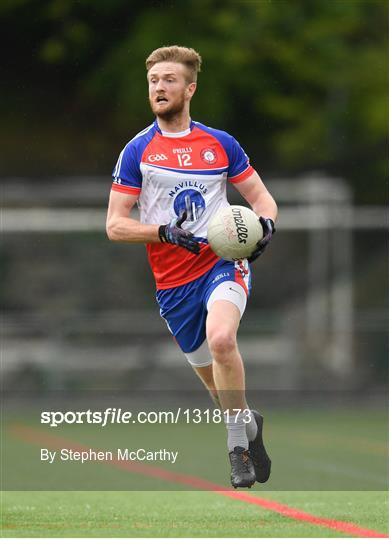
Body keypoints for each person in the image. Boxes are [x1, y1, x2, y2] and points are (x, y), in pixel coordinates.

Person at [106, 45, 277, 488]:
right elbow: (115, 226)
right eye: (153, 81)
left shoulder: (221, 143)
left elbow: (260, 199)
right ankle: (248, 423)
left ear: (190, 88)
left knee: (222, 340)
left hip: (222, 263)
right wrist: (163, 232)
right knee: (217, 390)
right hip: (172, 284)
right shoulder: (138, 151)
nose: (159, 87)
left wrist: (266, 225)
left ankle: (236, 445)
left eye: (168, 80)